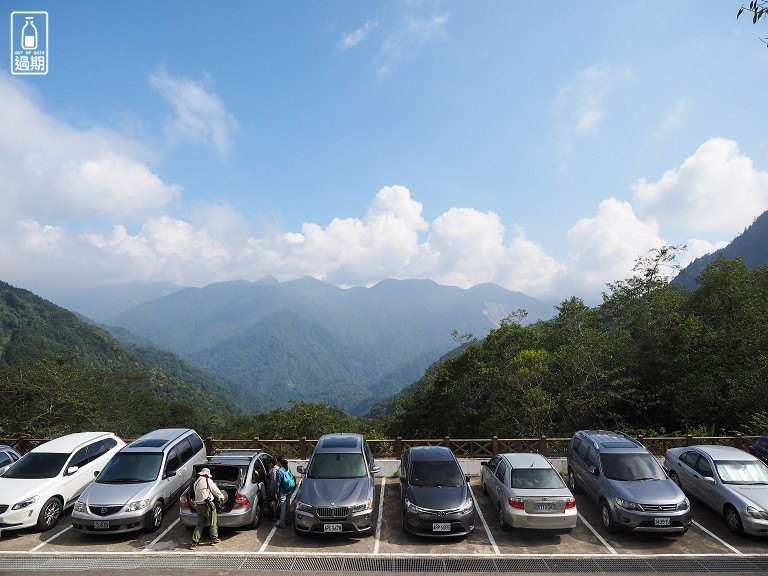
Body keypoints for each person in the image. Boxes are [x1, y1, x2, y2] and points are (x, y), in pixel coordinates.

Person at [190, 467, 226, 549]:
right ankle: (214, 539)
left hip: (198, 506)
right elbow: (215, 490)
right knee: (213, 522)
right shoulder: (207, 480)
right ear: (207, 475)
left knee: (199, 524)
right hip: (207, 505)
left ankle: (194, 542)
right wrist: (221, 496)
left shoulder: (196, 482)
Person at [274, 454, 294, 528]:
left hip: (283, 491)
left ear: (279, 462)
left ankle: (282, 524)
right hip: (289, 489)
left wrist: (276, 492)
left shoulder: (279, 471)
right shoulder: (287, 468)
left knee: (283, 507)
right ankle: (288, 520)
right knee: (288, 506)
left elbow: (278, 483)